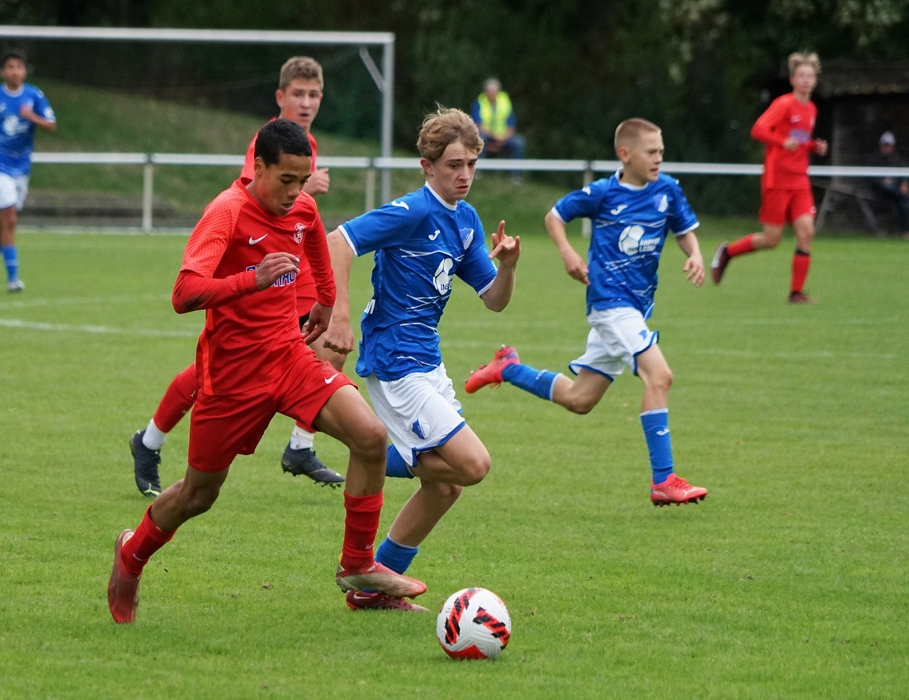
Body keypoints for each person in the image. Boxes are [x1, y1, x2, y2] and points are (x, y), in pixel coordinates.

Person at [108, 119, 427, 624]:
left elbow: (316, 243)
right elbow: (183, 292)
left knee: (369, 436)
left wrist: (324, 300)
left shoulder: (301, 206)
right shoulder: (226, 213)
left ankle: (358, 565)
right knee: (198, 495)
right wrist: (250, 280)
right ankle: (132, 554)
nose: (297, 193)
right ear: (259, 167)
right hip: (231, 379)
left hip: (288, 357)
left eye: (304, 181)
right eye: (287, 180)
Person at [324, 106, 521, 612]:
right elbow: (338, 241)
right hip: (394, 363)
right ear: (427, 166)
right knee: (472, 466)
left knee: (447, 489)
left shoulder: (466, 220)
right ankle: (375, 456)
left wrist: (511, 266)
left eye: (472, 165)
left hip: (428, 363)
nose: (465, 175)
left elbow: (493, 300)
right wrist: (340, 316)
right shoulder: (411, 211)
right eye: (454, 164)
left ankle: (370, 591)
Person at [129, 56, 346, 497]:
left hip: (291, 264)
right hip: (262, 264)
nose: (305, 103)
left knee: (331, 345)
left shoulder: (307, 145)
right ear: (280, 97)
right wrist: (258, 270)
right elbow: (250, 201)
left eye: (313, 95)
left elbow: (303, 215)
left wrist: (328, 293)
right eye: (297, 95)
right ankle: (150, 439)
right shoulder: (263, 150)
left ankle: (300, 444)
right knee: (216, 370)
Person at [465, 118, 708, 508]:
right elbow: (554, 216)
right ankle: (663, 479)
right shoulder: (602, 193)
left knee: (580, 399)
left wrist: (694, 252)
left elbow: (683, 229)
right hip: (611, 305)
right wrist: (567, 254)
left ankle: (508, 368)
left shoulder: (668, 190)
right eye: (651, 152)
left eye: (661, 151)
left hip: (635, 310)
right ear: (625, 155)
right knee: (659, 376)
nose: (659, 158)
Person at [710, 51, 829, 304]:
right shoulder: (784, 104)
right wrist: (781, 141)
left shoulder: (811, 109)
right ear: (793, 80)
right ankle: (728, 252)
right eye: (801, 75)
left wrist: (813, 146)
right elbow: (758, 129)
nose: (806, 80)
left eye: (810, 76)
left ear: (815, 80)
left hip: (800, 180)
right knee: (771, 239)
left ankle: (796, 293)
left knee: (806, 231)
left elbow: (798, 141)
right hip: (777, 179)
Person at [0, 48, 56, 294]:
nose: (14, 71)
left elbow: (51, 125)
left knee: (5, 223)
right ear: (2, 71)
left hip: (22, 167)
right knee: (10, 219)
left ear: (25, 71)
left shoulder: (34, 95)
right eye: (10, 67)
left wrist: (32, 117)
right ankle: (13, 279)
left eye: (18, 67)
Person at [470, 78, 526, 185]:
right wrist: (496, 137)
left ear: (498, 91)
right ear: (486, 91)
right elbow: (478, 126)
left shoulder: (505, 101)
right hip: (487, 135)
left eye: (493, 91)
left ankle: (516, 175)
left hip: (504, 136)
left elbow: (511, 125)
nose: (491, 93)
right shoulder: (479, 102)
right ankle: (478, 170)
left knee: (519, 142)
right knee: (480, 138)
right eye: (489, 91)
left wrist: (504, 137)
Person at [866, 131, 909, 239]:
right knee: (898, 195)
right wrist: (881, 180)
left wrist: (904, 183)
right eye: (884, 145)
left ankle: (904, 231)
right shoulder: (874, 160)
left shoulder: (897, 159)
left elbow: (903, 173)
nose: (886, 148)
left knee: (904, 203)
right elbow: (869, 177)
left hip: (895, 191)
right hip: (879, 192)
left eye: (888, 145)